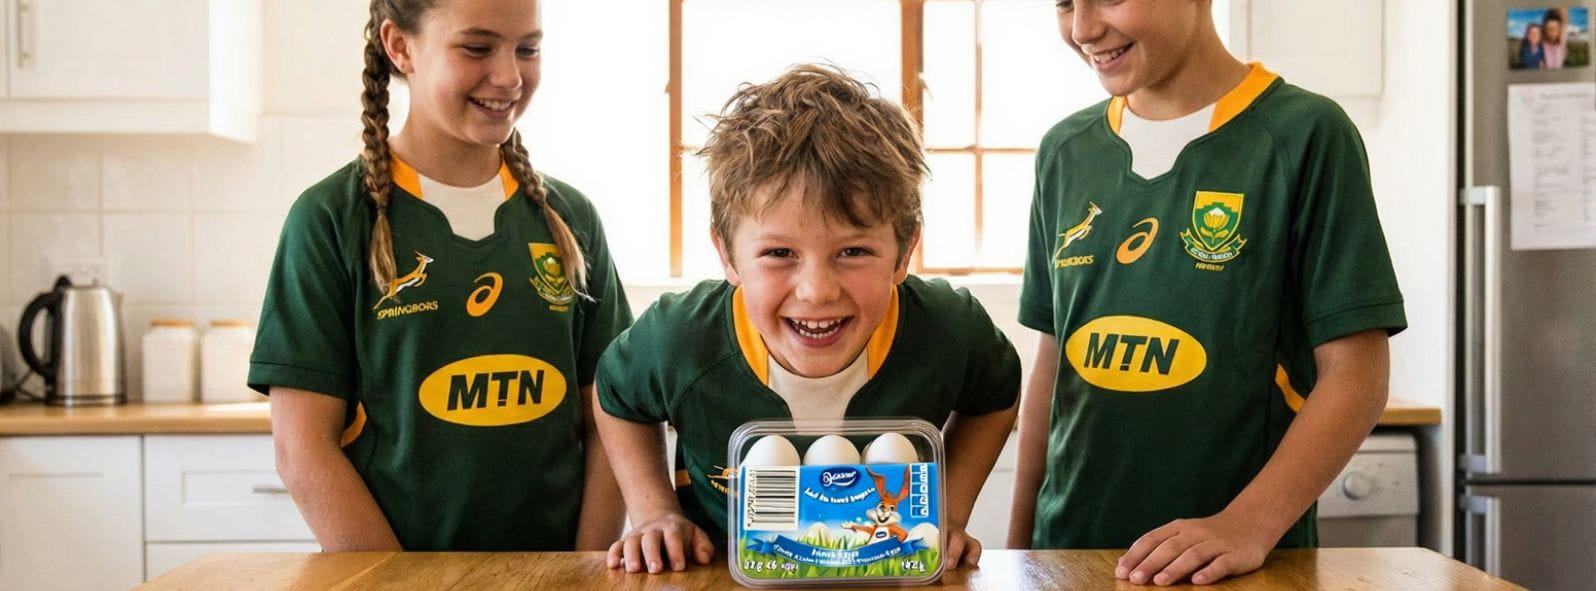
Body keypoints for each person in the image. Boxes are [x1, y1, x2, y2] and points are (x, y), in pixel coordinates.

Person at [1008, 0, 1407, 586]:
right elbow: (1051, 364)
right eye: (1065, 2)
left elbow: (1358, 374)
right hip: (1072, 559)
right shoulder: (1065, 151)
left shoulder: (1305, 135)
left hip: (1236, 570)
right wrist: (1020, 552)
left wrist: (1246, 524)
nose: (1083, 28)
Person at [594, 64, 1021, 574]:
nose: (817, 291)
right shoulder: (680, 338)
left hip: (888, 578)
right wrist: (654, 512)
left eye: (854, 251)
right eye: (779, 252)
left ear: (905, 250)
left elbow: (996, 392)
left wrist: (948, 510)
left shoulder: (949, 330)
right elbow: (617, 396)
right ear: (727, 255)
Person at [250, 0, 631, 551]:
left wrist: (585, 574)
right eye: (476, 48)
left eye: (528, 48)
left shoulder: (569, 220)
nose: (508, 76)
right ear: (400, 46)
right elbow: (302, 449)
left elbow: (609, 422)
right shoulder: (331, 219)